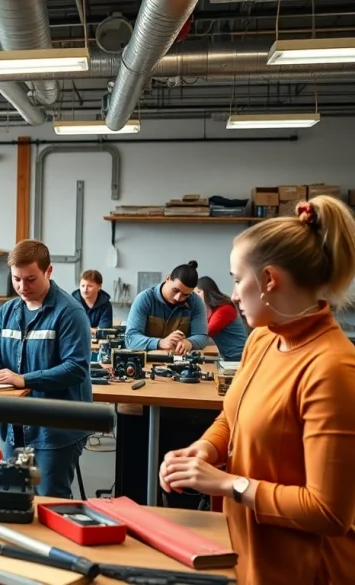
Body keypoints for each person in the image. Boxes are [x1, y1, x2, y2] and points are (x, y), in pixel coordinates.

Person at [158, 197, 355, 585]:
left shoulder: (333, 368)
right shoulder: (263, 339)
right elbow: (233, 415)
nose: (231, 294)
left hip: (306, 570)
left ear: (269, 280)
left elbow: (330, 512)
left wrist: (227, 483)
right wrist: (207, 448)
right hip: (251, 554)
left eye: (236, 278)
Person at [0, 240, 92, 497]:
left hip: (56, 428)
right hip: (15, 426)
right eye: (16, 279)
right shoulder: (8, 311)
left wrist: (24, 379)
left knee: (49, 499)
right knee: (12, 496)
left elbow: (76, 368)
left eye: (30, 279)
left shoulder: (70, 313)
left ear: (48, 271)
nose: (22, 287)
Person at [124, 260, 210, 355]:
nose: (178, 298)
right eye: (175, 290)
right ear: (168, 278)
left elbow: (202, 336)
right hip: (147, 360)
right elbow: (131, 338)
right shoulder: (145, 299)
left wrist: (189, 343)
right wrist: (160, 343)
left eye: (185, 295)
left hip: (180, 361)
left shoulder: (196, 302)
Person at [194, 276, 248, 361]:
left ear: (208, 292)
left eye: (198, 292)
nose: (195, 296)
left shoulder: (225, 309)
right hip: (228, 356)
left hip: (237, 357)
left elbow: (205, 332)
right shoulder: (213, 310)